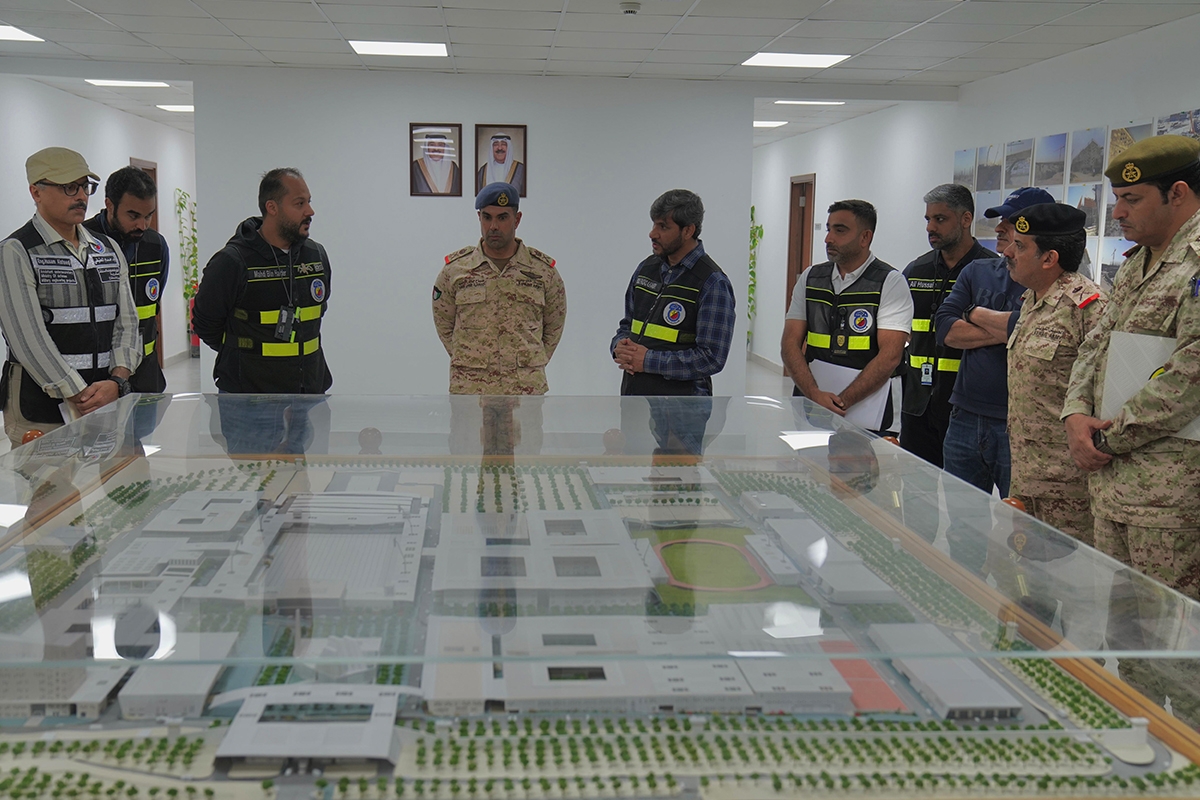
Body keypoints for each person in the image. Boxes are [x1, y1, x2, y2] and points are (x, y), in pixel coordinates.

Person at [1063, 135, 1200, 598]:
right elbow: (1094, 345)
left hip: (1172, 502)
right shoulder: (1138, 261)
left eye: (1132, 199)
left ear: (1177, 193)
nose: (1118, 212)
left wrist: (1105, 438)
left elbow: (1190, 374)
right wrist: (1075, 413)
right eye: (1117, 198)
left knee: (1171, 635)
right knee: (1121, 628)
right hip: (1113, 490)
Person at [932, 188, 1051, 572]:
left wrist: (975, 313)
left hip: (1019, 426)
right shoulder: (978, 271)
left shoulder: (1053, 284)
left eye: (1012, 223)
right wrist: (1010, 328)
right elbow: (945, 330)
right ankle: (966, 596)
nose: (1000, 229)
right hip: (965, 418)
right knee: (963, 526)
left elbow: (1034, 328)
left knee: (1025, 535)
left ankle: (1020, 606)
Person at [0, 147, 141, 447]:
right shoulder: (16, 251)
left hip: (106, 399)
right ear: (36, 192)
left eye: (84, 186)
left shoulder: (108, 249)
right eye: (68, 187)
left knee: (115, 478)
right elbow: (28, 341)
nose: (80, 196)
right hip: (43, 411)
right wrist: (79, 394)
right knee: (51, 480)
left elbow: (128, 323)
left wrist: (117, 381)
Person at [989, 202, 1104, 546]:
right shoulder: (1032, 299)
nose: (1008, 252)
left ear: (1049, 258)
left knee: (1071, 573)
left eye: (1020, 246)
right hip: (1026, 474)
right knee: (1027, 570)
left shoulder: (1089, 307)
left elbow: (1104, 395)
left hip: (1069, 487)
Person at [433, 182, 565, 454]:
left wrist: (528, 363)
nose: (494, 226)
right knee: (468, 464)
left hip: (523, 392)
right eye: (487, 217)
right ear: (479, 218)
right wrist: (470, 359)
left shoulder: (543, 272)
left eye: (502, 217)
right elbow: (444, 323)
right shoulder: (456, 270)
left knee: (523, 465)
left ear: (517, 219)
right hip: (471, 392)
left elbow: (554, 325)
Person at [899, 184, 998, 542]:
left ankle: (966, 568)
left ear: (966, 219)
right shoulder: (915, 270)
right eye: (928, 219)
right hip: (917, 405)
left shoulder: (992, 271)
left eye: (940, 219)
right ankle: (916, 561)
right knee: (915, 499)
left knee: (967, 509)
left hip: (965, 406)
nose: (930, 227)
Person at [611, 189, 735, 455]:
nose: (652, 233)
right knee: (633, 474)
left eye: (663, 227)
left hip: (682, 412)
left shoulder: (712, 282)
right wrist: (619, 345)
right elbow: (627, 324)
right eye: (653, 224)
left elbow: (712, 358)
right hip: (635, 399)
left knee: (677, 479)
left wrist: (648, 360)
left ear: (688, 230)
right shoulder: (646, 269)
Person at [192, 167, 333, 394]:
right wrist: (245, 355)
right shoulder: (232, 262)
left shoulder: (316, 256)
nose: (310, 211)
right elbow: (206, 323)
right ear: (272, 207)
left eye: (309, 202)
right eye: (299, 204)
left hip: (309, 395)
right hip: (248, 400)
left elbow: (316, 315)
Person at [781, 199, 912, 435]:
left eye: (839, 230)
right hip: (812, 405)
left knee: (864, 462)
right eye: (829, 229)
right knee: (811, 459)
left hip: (868, 413)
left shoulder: (890, 282)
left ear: (865, 237)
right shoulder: (811, 278)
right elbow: (789, 343)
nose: (828, 238)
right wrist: (814, 395)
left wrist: (841, 402)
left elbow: (890, 356)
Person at [84, 166, 169, 393]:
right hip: (97, 377)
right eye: (133, 215)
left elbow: (154, 302)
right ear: (110, 205)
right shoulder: (83, 242)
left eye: (148, 215)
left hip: (146, 372)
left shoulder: (156, 245)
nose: (142, 225)